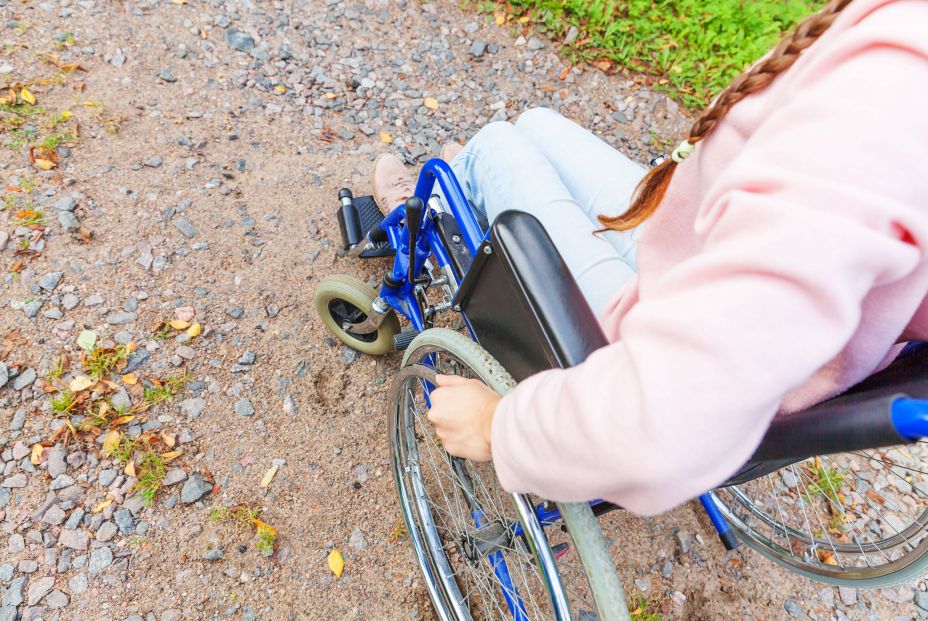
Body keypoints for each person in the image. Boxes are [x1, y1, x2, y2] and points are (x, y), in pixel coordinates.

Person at [370, 0, 928, 515]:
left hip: (647, 335)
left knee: (495, 145)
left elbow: (671, 418)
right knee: (535, 125)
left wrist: (500, 427)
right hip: (702, 254)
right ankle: (470, 179)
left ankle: (441, 197)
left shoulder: (877, 113)